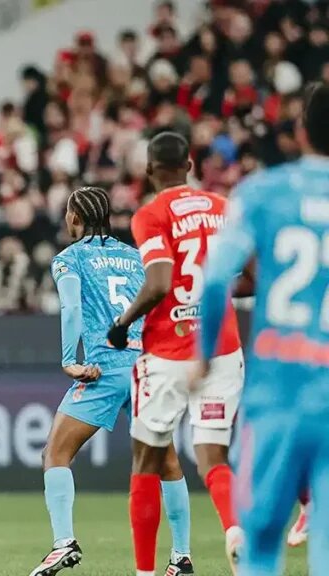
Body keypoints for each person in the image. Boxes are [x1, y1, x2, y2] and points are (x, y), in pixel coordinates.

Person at [194, 83, 329, 576]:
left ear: (300, 132)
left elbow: (214, 281)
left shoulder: (263, 191)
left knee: (262, 546)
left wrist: (202, 356)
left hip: (276, 393)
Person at [29, 187, 193, 576]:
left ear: (74, 218)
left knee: (56, 453)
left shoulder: (69, 258)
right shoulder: (136, 257)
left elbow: (71, 307)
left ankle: (64, 542)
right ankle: (181, 557)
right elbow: (161, 304)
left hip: (103, 368)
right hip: (145, 366)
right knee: (167, 461)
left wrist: (70, 361)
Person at [107, 131, 244, 575]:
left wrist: (123, 323)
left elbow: (160, 282)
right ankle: (234, 531)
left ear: (149, 170)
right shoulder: (223, 208)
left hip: (168, 351)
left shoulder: (151, 214)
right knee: (212, 456)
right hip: (221, 348)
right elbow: (252, 275)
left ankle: (146, 572)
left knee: (146, 460)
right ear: (189, 165)